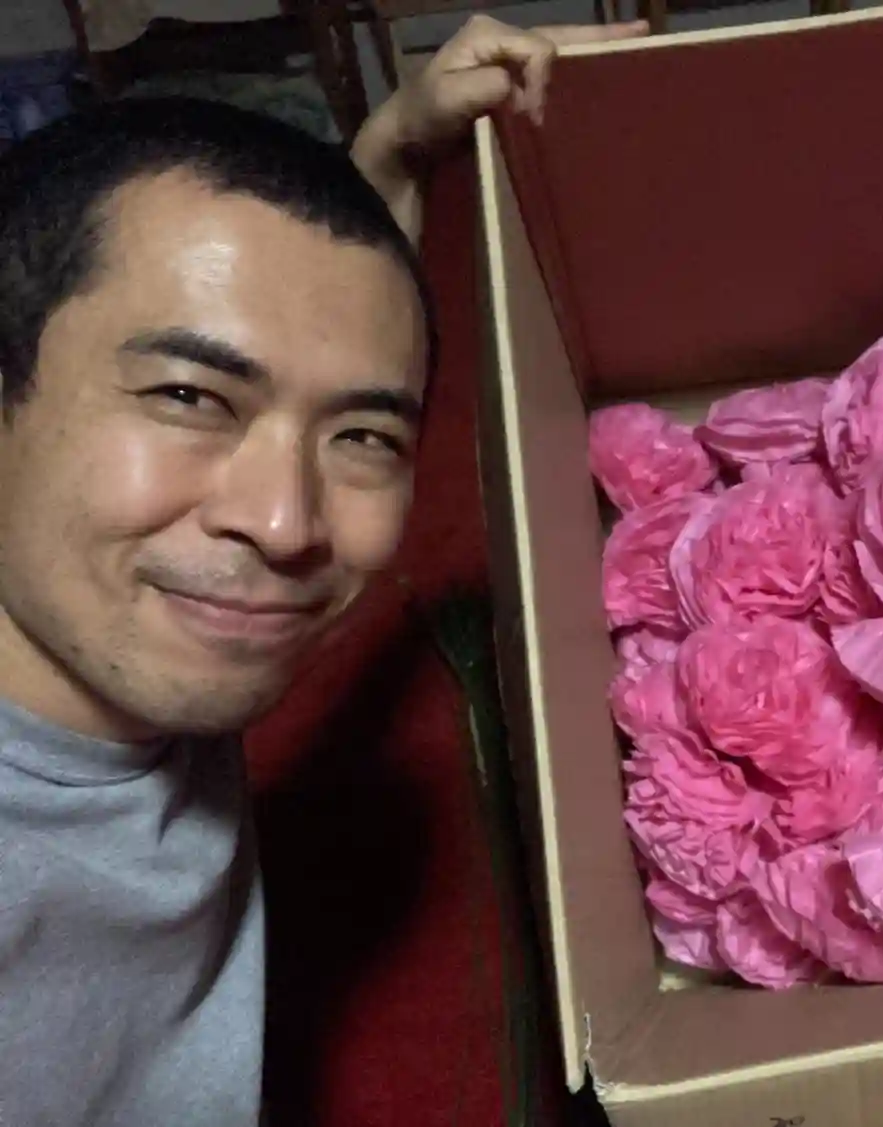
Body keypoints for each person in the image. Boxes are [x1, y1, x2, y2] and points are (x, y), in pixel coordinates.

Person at [0, 15, 644, 1125]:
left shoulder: (122, 626)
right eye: (189, 398)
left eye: (363, 437)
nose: (287, 521)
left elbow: (316, 343)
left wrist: (393, 151)